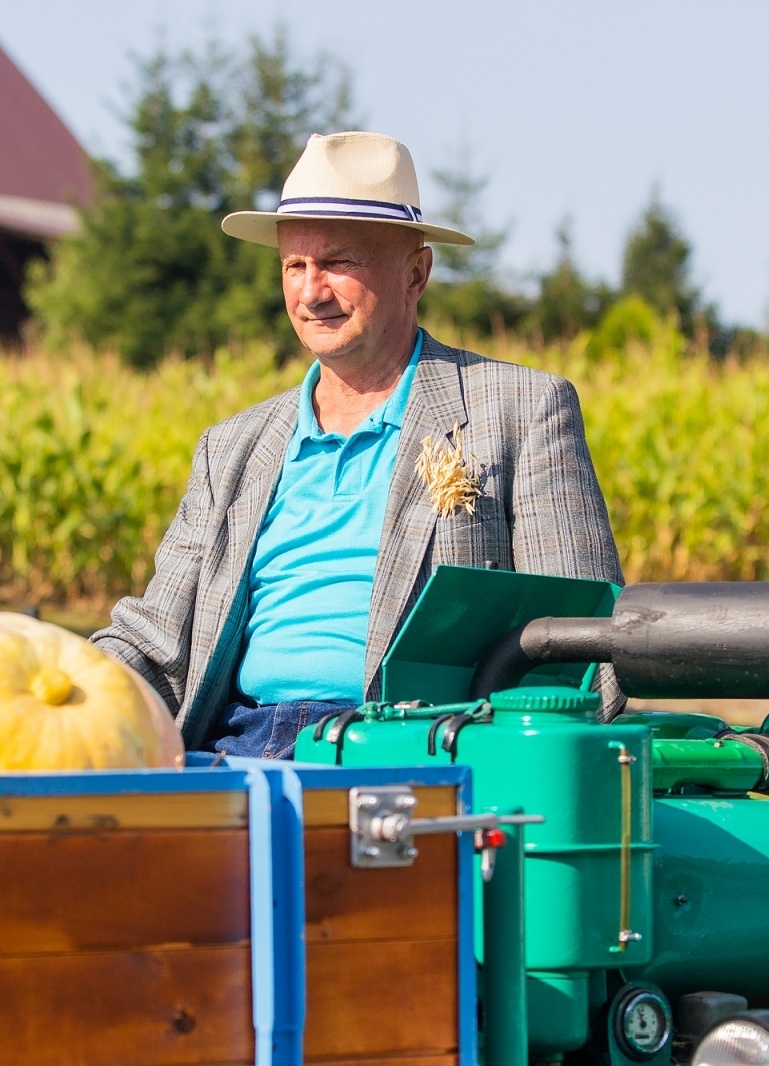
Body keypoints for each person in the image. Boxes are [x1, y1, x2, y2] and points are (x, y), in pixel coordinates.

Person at [93, 131, 622, 758]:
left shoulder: (519, 409)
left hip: (415, 747)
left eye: (339, 263)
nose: (312, 292)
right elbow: (156, 638)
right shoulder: (231, 447)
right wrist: (63, 678)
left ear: (416, 272)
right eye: (295, 266)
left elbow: (584, 636)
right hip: (234, 746)